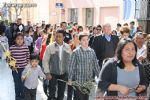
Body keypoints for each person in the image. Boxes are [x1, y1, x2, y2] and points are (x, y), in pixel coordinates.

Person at [68, 33, 100, 100]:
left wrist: (100, 77)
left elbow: (96, 65)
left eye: (87, 40)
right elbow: (71, 67)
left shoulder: (92, 51)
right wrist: (70, 79)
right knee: (79, 98)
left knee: (86, 97)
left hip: (88, 81)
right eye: (83, 40)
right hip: (78, 81)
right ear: (80, 41)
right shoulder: (76, 52)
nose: (86, 41)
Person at [43, 30, 71, 100]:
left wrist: (69, 74)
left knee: (61, 94)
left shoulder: (68, 47)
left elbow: (70, 61)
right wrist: (47, 73)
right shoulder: (50, 47)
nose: (57, 38)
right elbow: (45, 60)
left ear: (64, 37)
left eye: (60, 37)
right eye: (56, 36)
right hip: (52, 74)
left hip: (64, 74)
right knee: (51, 93)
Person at [10, 33, 30, 100]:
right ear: (15, 39)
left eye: (21, 39)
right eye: (18, 39)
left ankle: (23, 96)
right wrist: (11, 66)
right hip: (15, 70)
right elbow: (9, 59)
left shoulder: (25, 47)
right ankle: (17, 97)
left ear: (23, 40)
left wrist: (27, 66)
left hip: (24, 69)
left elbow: (28, 57)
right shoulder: (12, 48)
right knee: (17, 83)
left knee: (23, 83)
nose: (19, 40)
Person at [0, 23, 15, 100]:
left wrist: (8, 55)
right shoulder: (3, 38)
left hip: (4, 56)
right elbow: (5, 47)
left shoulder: (5, 38)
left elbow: (7, 47)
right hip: (3, 56)